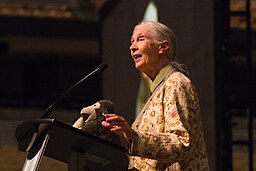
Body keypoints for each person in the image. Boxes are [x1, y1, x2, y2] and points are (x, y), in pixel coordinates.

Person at [101, 21, 209, 171]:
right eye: (132, 41)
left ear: (163, 47)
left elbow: (182, 142)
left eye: (141, 39)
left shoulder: (176, 83)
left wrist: (134, 137)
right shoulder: (161, 88)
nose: (132, 47)